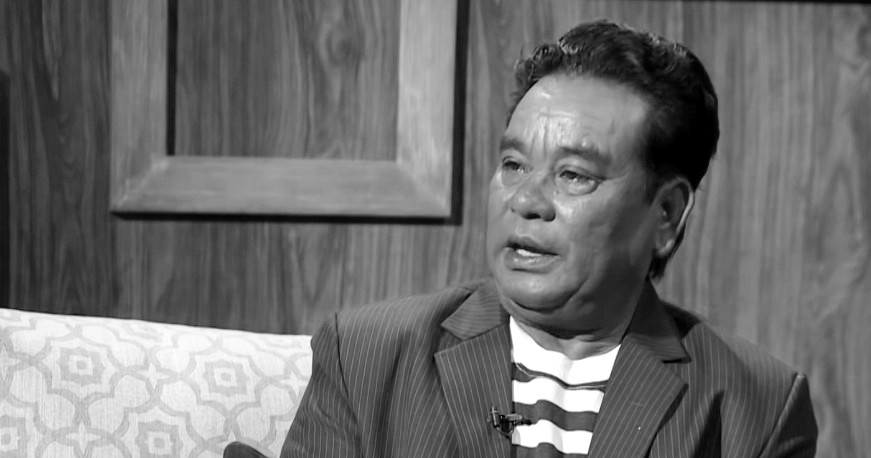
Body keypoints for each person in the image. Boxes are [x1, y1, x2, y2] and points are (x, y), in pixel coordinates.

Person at [247, 19, 817, 458]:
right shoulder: (370, 357)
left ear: (665, 215)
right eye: (514, 164)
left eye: (573, 175)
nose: (526, 201)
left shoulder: (754, 407)